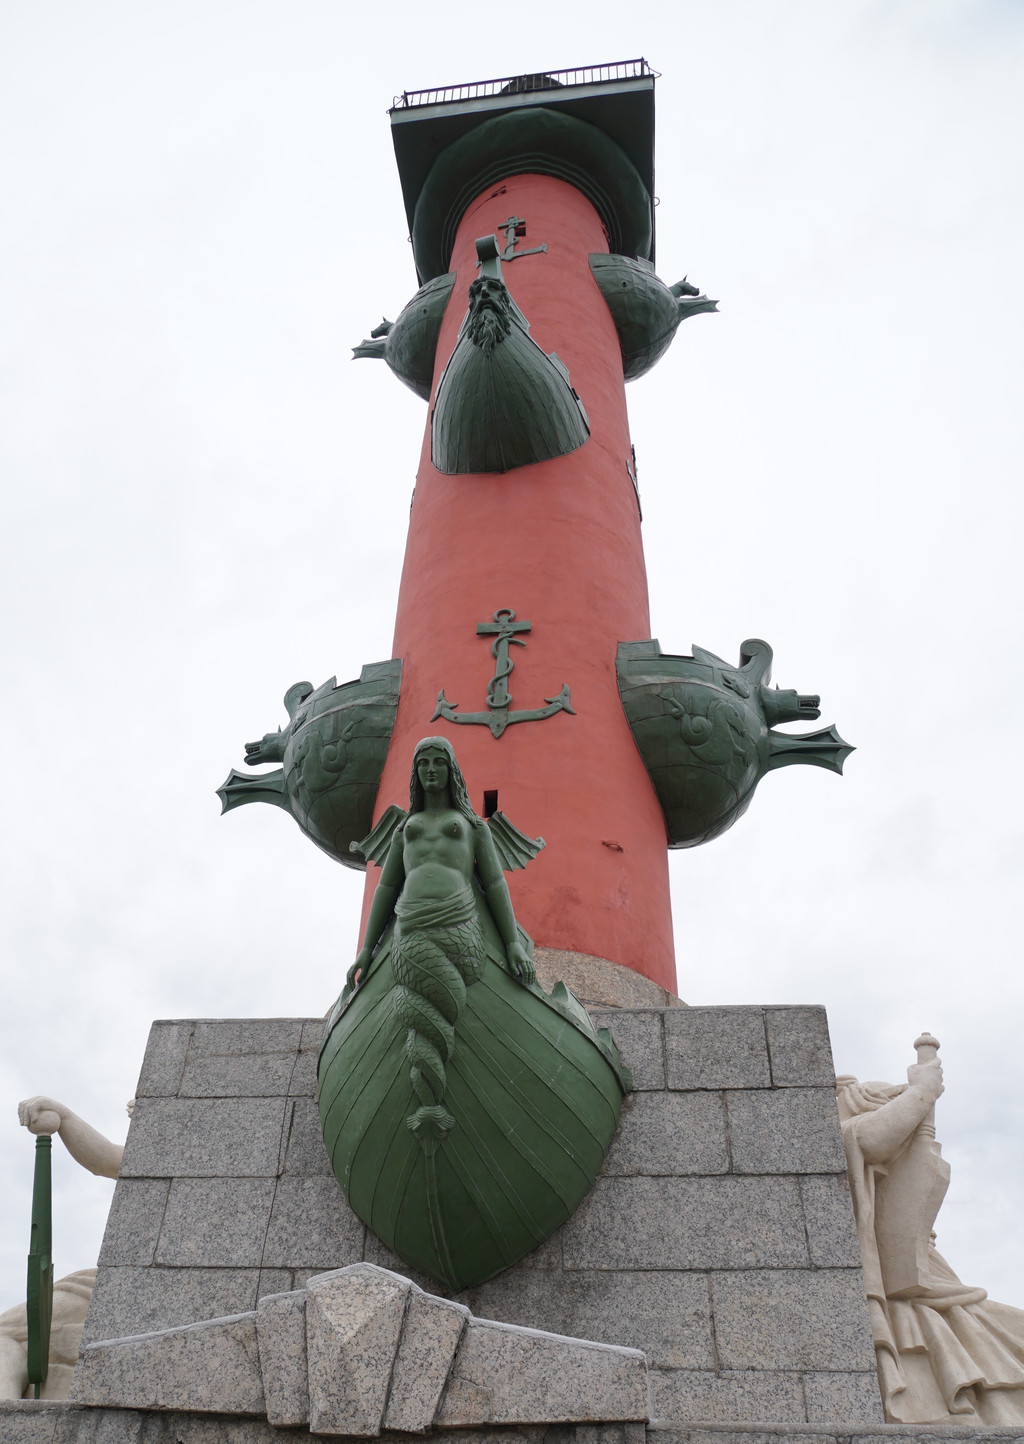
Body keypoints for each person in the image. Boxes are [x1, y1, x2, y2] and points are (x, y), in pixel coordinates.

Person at [347, 737, 534, 1150]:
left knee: (438, 1003)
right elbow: (387, 887)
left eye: (439, 762)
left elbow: (495, 883)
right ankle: (429, 1102)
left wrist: (512, 943)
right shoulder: (404, 829)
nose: (431, 770)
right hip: (410, 927)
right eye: (423, 763)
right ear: (415, 773)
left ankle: (431, 1099)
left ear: (452, 771)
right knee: (420, 1007)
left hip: (461, 925)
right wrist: (366, 949)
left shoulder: (473, 826)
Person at [838, 1044, 1024, 1424]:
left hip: (924, 1278)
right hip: (900, 1291)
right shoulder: (842, 1111)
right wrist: (922, 1093)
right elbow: (868, 1139)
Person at [0, 1097, 127, 1400]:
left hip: (125, 1287)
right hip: (111, 1281)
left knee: (5, 1333)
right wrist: (64, 1117)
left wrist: (65, 1117)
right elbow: (105, 1158)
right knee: (7, 1334)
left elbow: (107, 1159)